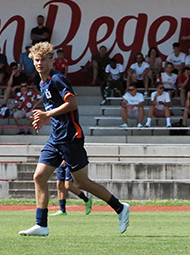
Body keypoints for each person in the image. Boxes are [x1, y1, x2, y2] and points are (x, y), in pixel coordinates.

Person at [18, 41, 130, 236]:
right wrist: (45, 118)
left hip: (70, 137)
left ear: (51, 60)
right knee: (39, 176)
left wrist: (47, 114)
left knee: (82, 183)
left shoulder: (57, 79)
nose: (39, 63)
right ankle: (41, 225)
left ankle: (120, 207)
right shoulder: (43, 82)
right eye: (36, 60)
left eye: (43, 60)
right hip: (56, 137)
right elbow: (56, 109)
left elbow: (72, 104)